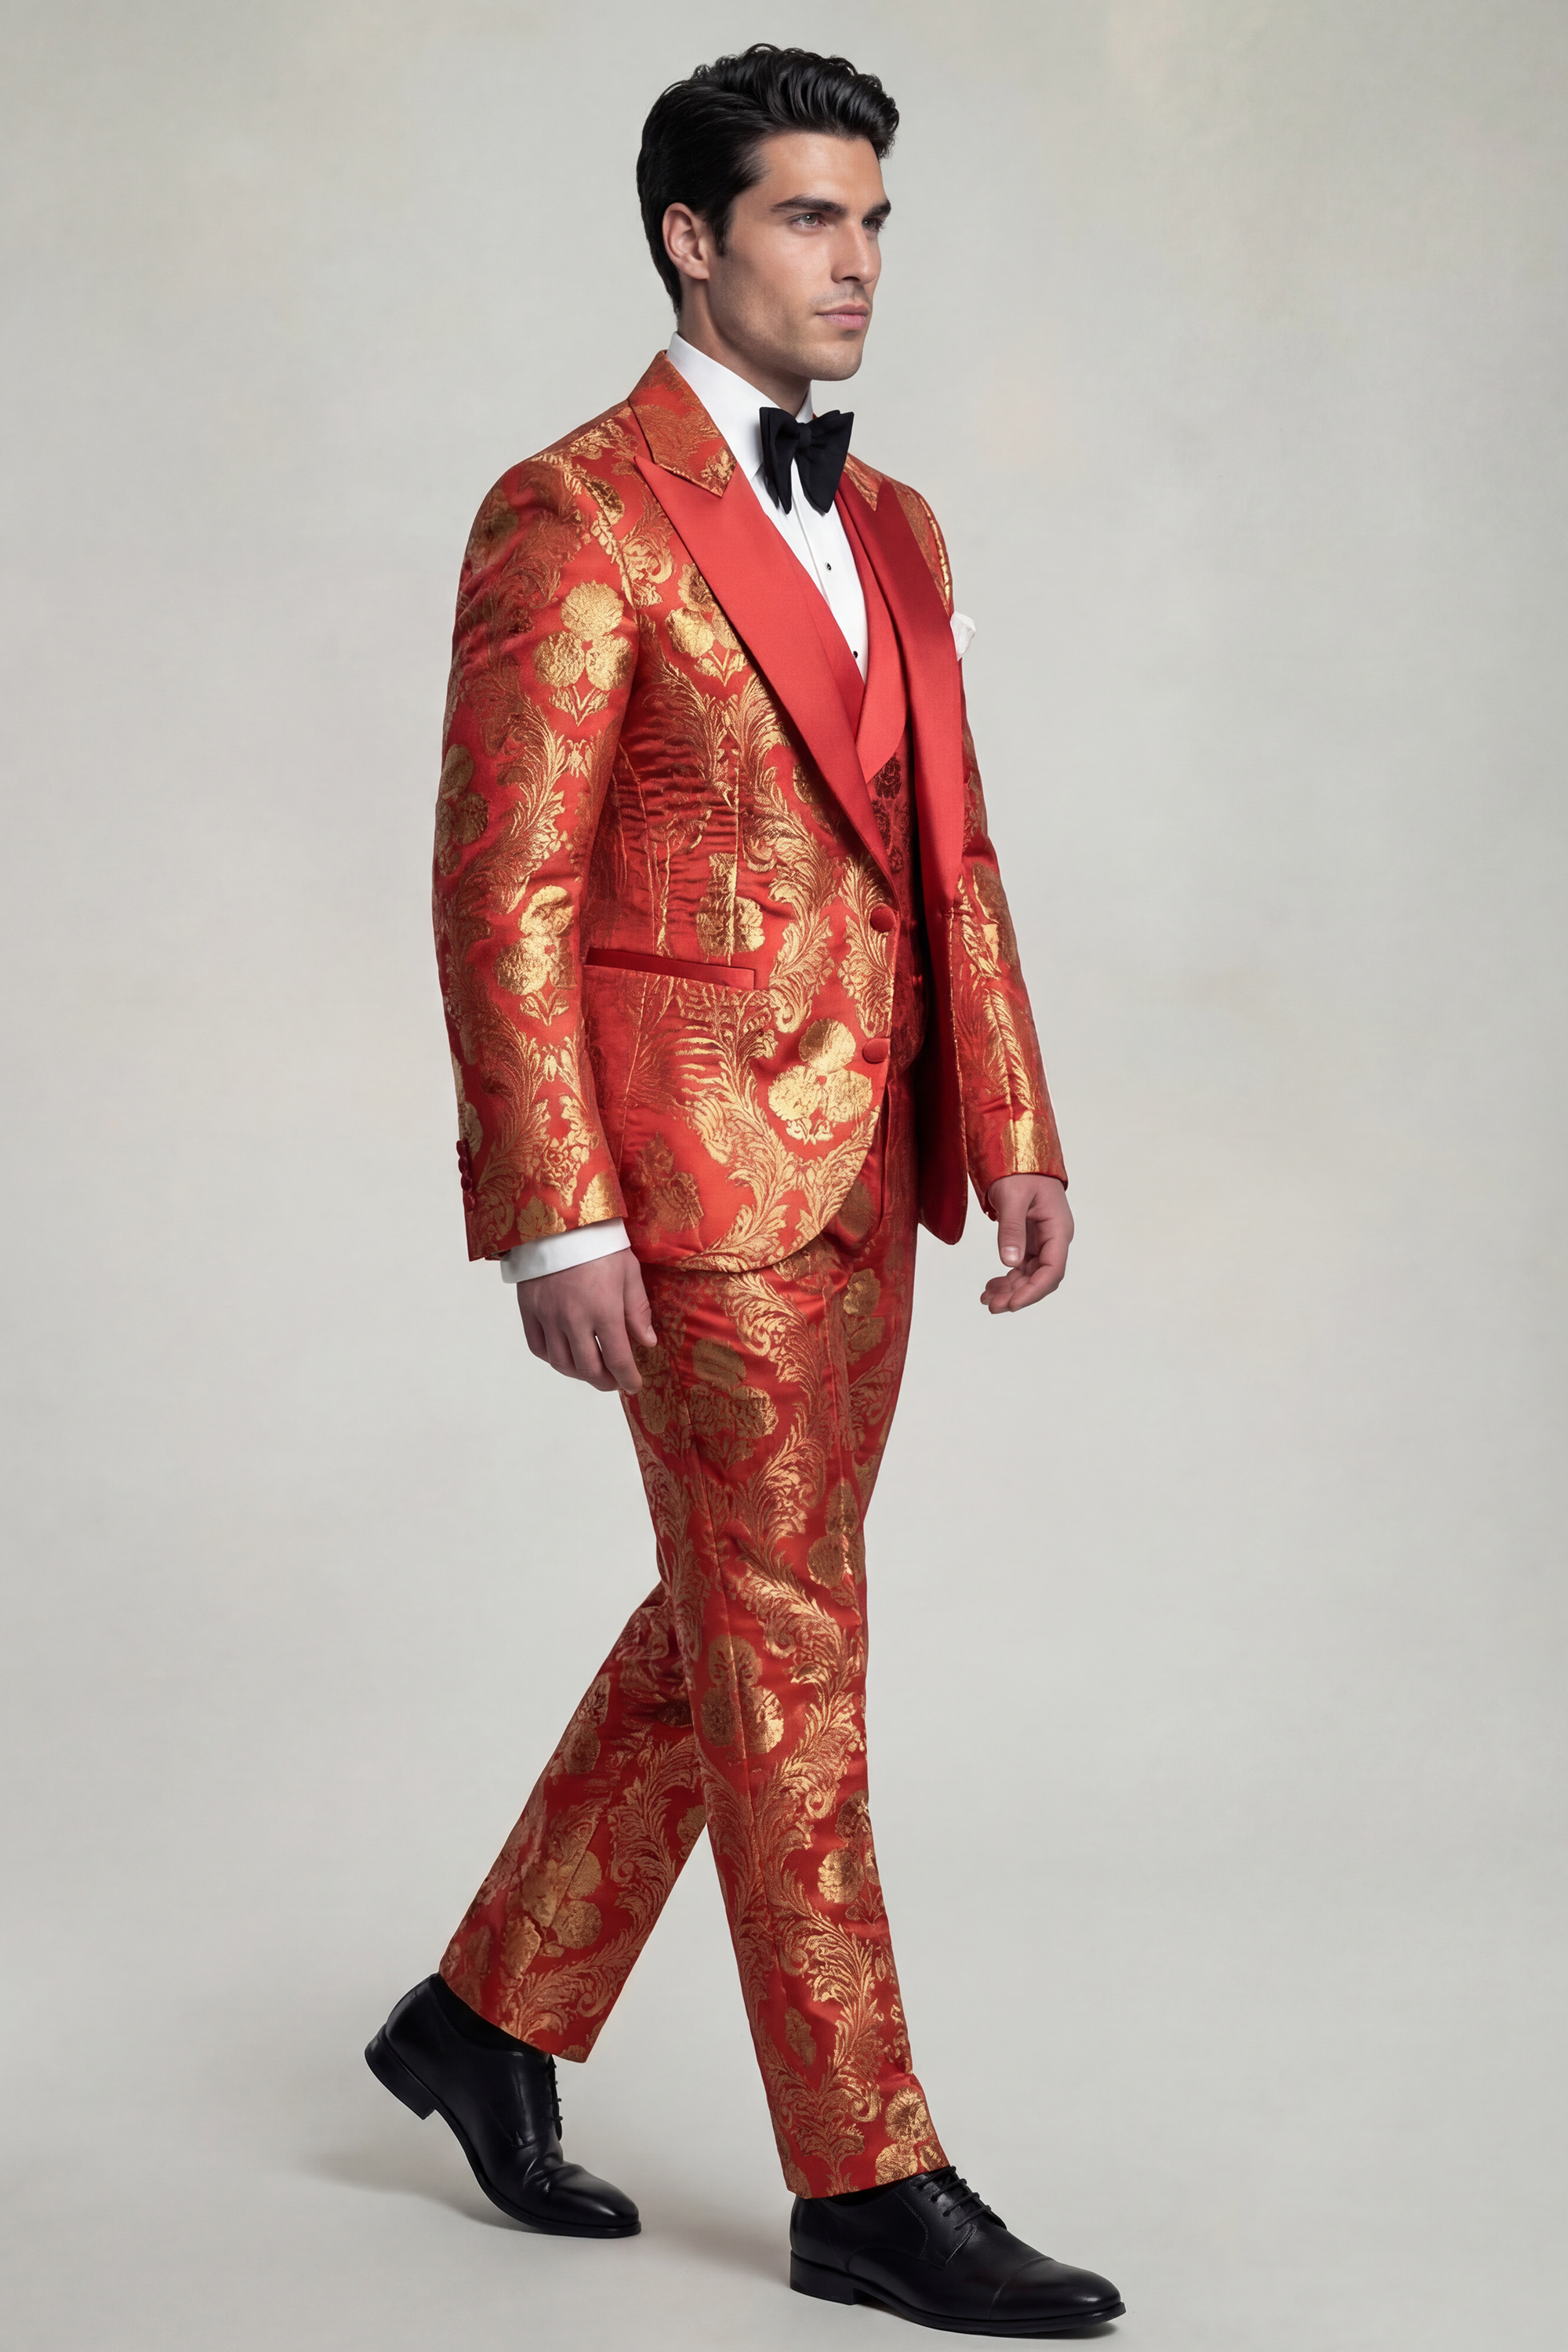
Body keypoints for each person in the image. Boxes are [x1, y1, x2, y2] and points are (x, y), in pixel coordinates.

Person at [366, 43, 1125, 2336]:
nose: (859, 262)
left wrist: (1011, 1120)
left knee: (746, 1616)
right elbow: (501, 882)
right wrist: (555, 1212)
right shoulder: (572, 510)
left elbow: (948, 844)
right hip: (687, 1181)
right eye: (812, 217)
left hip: (870, 1160)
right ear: (692, 239)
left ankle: (486, 2014)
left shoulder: (901, 527)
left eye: (875, 220)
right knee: (790, 1647)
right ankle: (868, 2179)